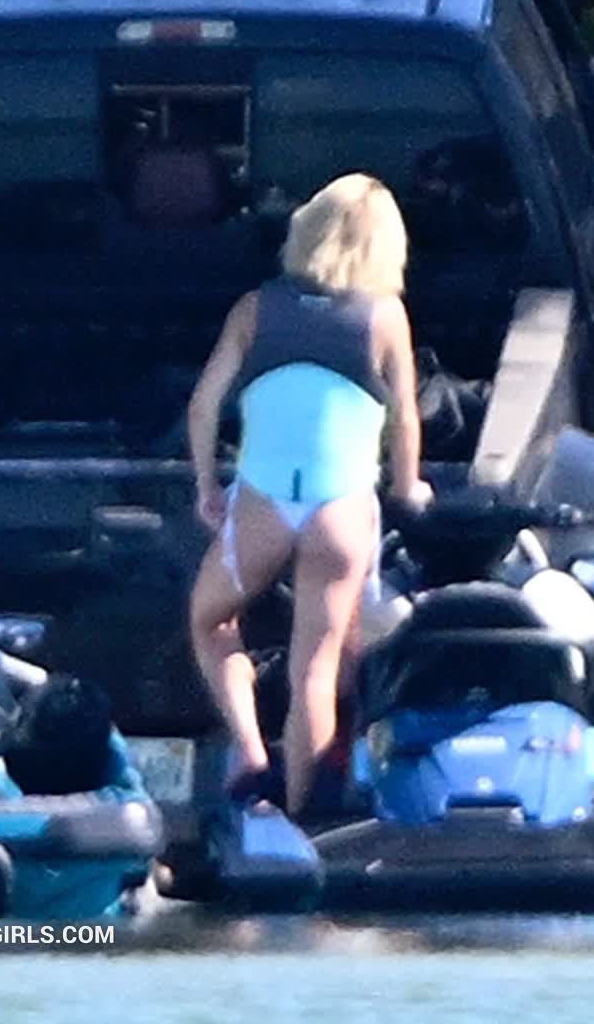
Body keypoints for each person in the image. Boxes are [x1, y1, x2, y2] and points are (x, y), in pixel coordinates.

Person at [185, 172, 432, 818]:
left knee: (211, 620)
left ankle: (251, 753)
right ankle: (302, 820)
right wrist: (408, 486)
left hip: (263, 503)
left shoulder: (255, 308)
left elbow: (205, 405)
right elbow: (405, 417)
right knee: (316, 675)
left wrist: (208, 484)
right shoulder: (384, 317)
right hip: (341, 508)